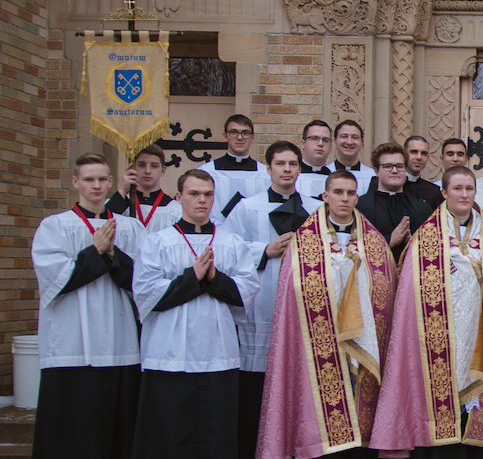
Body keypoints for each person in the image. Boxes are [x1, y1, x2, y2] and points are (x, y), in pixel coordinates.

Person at [370, 166, 483, 458]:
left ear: (476, 193)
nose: (464, 194)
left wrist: (475, 272)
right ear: (444, 193)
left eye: (469, 189)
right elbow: (411, 291)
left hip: (478, 333)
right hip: (436, 337)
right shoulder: (425, 239)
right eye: (457, 189)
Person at [256, 170, 396, 459]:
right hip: (318, 339)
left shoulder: (375, 243)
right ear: (325, 196)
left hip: (363, 339)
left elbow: (385, 293)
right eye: (338, 192)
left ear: (357, 197)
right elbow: (292, 297)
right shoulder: (303, 243)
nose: (344, 199)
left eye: (350, 193)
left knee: (359, 420)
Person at [132, 169, 259, 459]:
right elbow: (146, 292)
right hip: (169, 351)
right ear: (178, 197)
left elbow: (248, 288)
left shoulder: (230, 242)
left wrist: (214, 279)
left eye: (208, 194)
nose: (202, 200)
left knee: (215, 432)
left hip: (217, 350)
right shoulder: (157, 242)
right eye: (194, 194)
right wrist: (193, 278)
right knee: (170, 431)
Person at [31, 153, 144, 459]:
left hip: (118, 338)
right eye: (89, 179)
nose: (96, 185)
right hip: (72, 341)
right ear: (75, 182)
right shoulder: (54, 226)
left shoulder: (130, 228)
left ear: (111, 182)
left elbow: (144, 281)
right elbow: (55, 279)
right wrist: (96, 251)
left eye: (102, 179)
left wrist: (112, 257)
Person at [223, 141, 323, 459]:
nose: (287, 170)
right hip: (262, 300)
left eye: (293, 164)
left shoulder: (314, 207)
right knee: (257, 387)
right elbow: (227, 250)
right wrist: (264, 250)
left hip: (300, 302)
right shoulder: (247, 207)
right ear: (268, 168)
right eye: (280, 164)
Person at [356, 142, 432, 259]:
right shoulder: (361, 206)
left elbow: (432, 250)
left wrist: (411, 245)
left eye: (400, 166)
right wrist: (389, 241)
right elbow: (354, 246)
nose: (395, 170)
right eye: (388, 166)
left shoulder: (422, 209)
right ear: (376, 171)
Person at [199, 114, 271, 223]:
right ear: (225, 136)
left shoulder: (265, 174)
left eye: (245, 133)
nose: (240, 137)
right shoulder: (206, 172)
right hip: (215, 233)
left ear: (252, 138)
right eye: (233, 132)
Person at [106, 144, 183, 230]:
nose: (147, 171)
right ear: (133, 168)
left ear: (163, 170)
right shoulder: (121, 205)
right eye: (141, 165)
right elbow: (103, 223)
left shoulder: (175, 210)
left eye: (154, 166)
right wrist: (122, 190)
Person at [332, 120, 375, 195]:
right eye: (344, 136)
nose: (349, 142)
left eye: (354, 137)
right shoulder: (326, 173)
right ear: (335, 142)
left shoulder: (372, 176)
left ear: (362, 143)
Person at [404, 135, 446, 207]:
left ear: (428, 157)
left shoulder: (434, 191)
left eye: (424, 153)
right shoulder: (390, 186)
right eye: (414, 152)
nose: (419, 157)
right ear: (404, 154)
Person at [296, 120, 335, 196]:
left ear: (330, 147)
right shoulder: (290, 176)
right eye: (314, 138)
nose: (320, 144)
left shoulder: (334, 179)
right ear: (303, 144)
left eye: (325, 140)